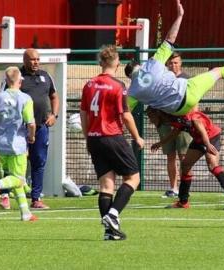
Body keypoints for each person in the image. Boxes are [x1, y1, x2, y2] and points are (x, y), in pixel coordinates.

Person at [124, 0, 224, 116]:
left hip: (176, 111)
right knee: (218, 72)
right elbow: (170, 38)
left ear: (131, 77)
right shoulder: (151, 64)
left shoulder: (133, 92)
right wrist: (179, 16)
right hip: (188, 92)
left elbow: (124, 113)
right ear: (140, 66)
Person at [80, 44, 144, 241]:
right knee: (133, 178)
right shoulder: (117, 86)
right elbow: (125, 115)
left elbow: (83, 114)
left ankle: (110, 232)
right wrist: (137, 137)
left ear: (101, 62)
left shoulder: (89, 84)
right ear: (116, 62)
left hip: (94, 138)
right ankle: (113, 215)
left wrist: (87, 136)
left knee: (107, 185)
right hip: (112, 136)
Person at [149, 107, 224, 209]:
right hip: (198, 139)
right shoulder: (171, 119)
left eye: (151, 116)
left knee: (212, 165)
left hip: (211, 136)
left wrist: (207, 144)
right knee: (185, 166)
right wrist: (160, 143)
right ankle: (183, 202)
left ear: (158, 113)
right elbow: (176, 131)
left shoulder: (180, 115)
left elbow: (198, 123)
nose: (150, 120)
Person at [0, 66, 37, 222]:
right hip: (17, 144)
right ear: (20, 81)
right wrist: (31, 136)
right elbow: (31, 123)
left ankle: (25, 213)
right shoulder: (25, 99)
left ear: (6, 81)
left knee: (14, 177)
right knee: (19, 179)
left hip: (0, 144)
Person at [19, 48, 59, 209]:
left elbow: (54, 96)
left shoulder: (46, 76)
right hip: (21, 128)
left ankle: (36, 199)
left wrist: (54, 115)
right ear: (25, 60)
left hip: (42, 126)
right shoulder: (17, 76)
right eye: (32, 59)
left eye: (37, 59)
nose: (36, 62)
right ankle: (6, 195)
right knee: (16, 161)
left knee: (39, 161)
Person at [150, 52, 192, 198]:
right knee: (170, 156)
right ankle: (173, 188)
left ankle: (184, 188)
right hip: (166, 122)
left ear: (181, 63)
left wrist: (191, 119)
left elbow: (194, 100)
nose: (173, 65)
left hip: (182, 122)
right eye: (170, 63)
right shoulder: (163, 79)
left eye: (176, 62)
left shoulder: (187, 79)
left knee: (184, 156)